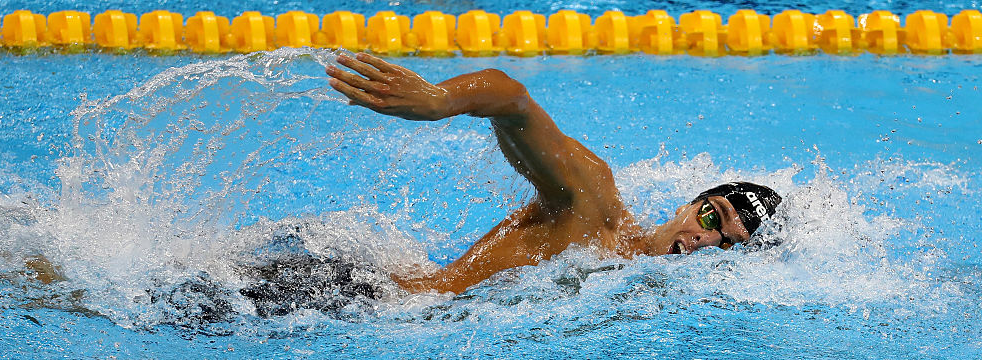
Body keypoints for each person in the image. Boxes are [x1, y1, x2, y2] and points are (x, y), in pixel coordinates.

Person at [326, 53, 783, 295]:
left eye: (727, 245)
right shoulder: (595, 210)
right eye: (711, 217)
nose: (706, 241)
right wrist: (438, 101)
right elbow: (511, 98)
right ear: (689, 203)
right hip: (355, 297)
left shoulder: (631, 285)